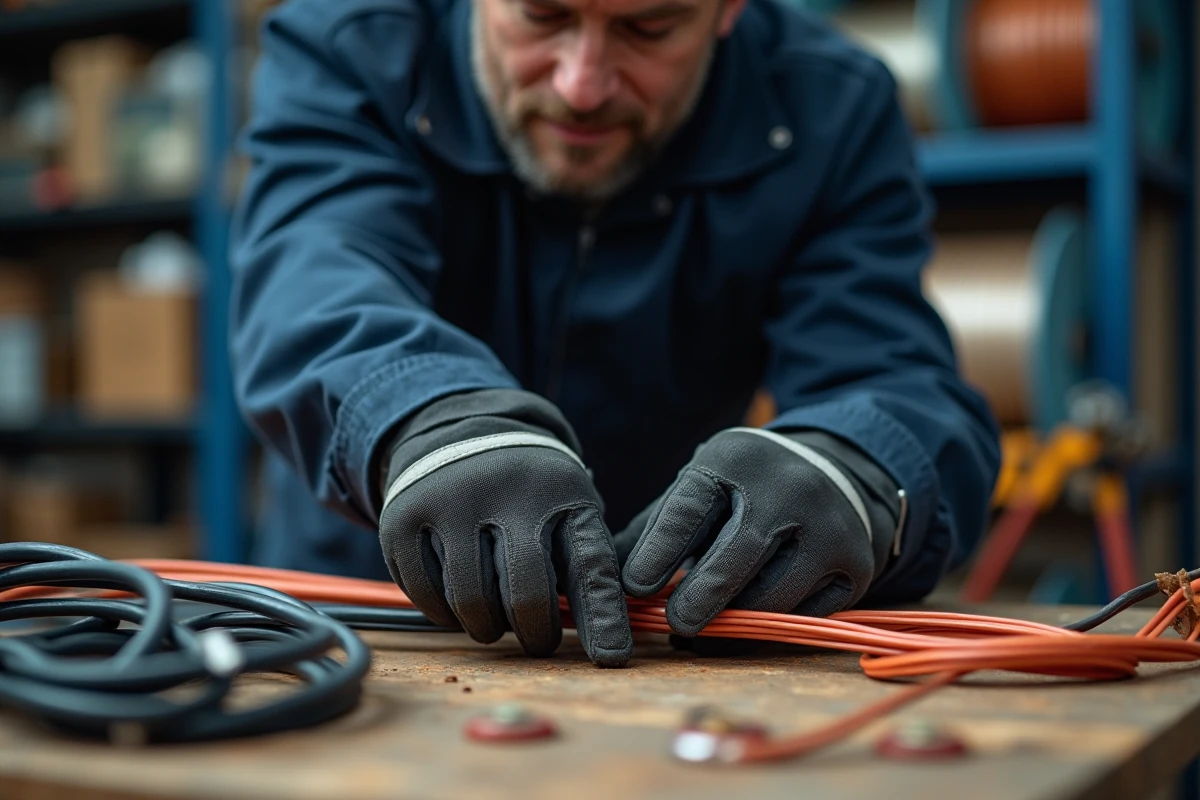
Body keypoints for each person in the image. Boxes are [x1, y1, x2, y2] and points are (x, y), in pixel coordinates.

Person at [230, 0, 1001, 668]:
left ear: (728, 9)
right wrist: (427, 418)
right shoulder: (352, 41)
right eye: (542, 15)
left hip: (656, 634)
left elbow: (892, 374)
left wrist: (854, 469)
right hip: (358, 613)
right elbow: (313, 274)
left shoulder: (832, 105)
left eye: (649, 26)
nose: (582, 84)